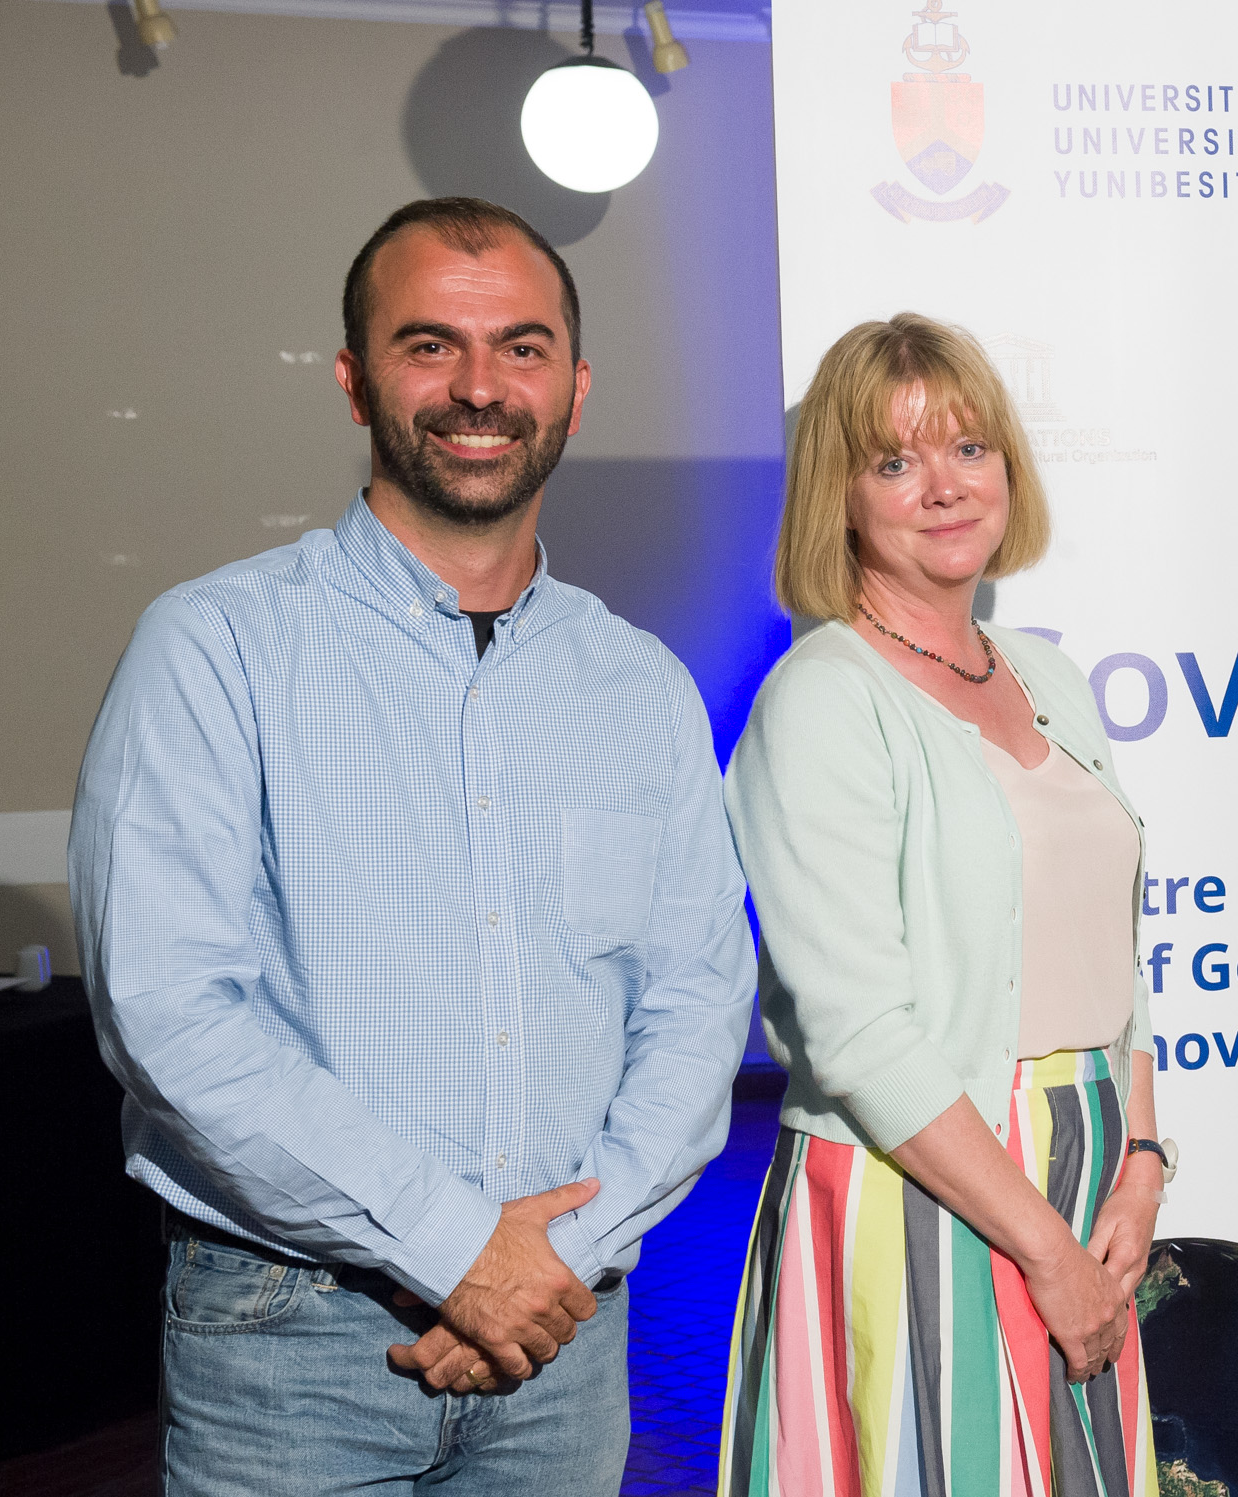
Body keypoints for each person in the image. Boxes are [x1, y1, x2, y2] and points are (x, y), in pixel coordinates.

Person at [69, 197, 755, 1495]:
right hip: (297, 1340)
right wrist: (456, 1247)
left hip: (566, 1340)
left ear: (574, 387)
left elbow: (697, 1002)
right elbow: (170, 1009)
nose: (480, 386)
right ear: (354, 379)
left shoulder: (641, 684)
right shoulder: (216, 648)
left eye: (522, 347)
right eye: (431, 344)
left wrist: (548, 1262)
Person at [719, 313, 1165, 1497]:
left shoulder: (1048, 675)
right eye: (894, 460)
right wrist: (1046, 1247)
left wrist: (1142, 1157)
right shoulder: (823, 700)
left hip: (1086, 1172)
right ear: (841, 497)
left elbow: (1114, 956)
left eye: (969, 448)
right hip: (925, 1185)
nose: (945, 486)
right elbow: (859, 1034)